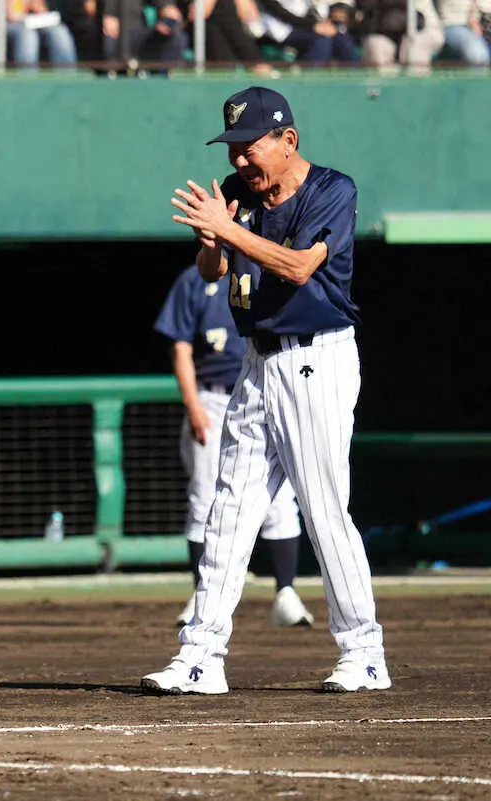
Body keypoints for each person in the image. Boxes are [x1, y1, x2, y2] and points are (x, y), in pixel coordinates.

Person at [143, 86, 388, 695]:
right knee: (229, 508)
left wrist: (228, 228)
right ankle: (200, 656)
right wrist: (211, 243)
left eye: (249, 147)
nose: (239, 161)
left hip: (316, 358)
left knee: (324, 509)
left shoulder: (332, 189)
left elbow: (300, 267)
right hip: (256, 360)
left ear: (287, 140)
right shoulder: (237, 192)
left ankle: (364, 652)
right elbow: (214, 272)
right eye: (232, 149)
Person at [155, 264, 314, 629]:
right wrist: (193, 405)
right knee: (204, 496)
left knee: (279, 497)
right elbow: (180, 346)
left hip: (266, 390)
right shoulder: (194, 279)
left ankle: (286, 592)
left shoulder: (269, 268)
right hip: (213, 397)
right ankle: (201, 594)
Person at [0, 0, 79, 69]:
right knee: (26, 34)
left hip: (23, 24)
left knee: (58, 30)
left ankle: (68, 84)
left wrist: (33, 5)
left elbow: (41, 11)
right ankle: (27, 84)